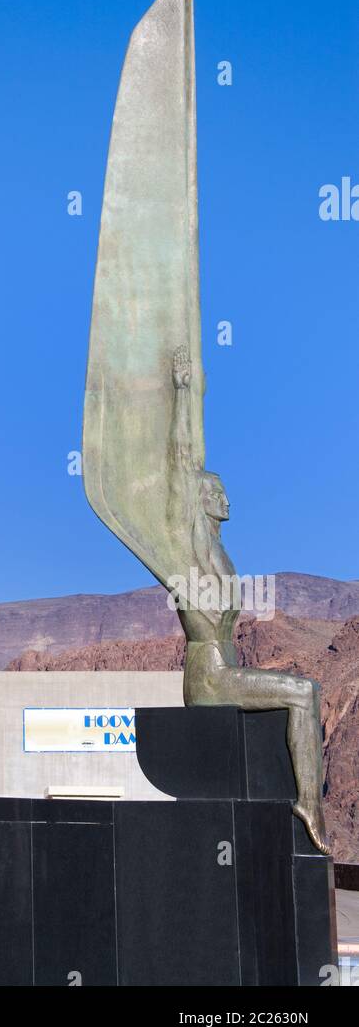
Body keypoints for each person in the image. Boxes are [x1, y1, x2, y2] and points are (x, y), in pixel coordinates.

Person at [167, 345, 329, 853]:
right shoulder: (189, 546)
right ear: (199, 500)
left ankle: (306, 801)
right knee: (304, 692)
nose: (225, 497)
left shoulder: (218, 549)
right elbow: (182, 462)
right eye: (216, 492)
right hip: (209, 675)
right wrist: (182, 392)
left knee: (305, 691)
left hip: (225, 668)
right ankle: (309, 804)